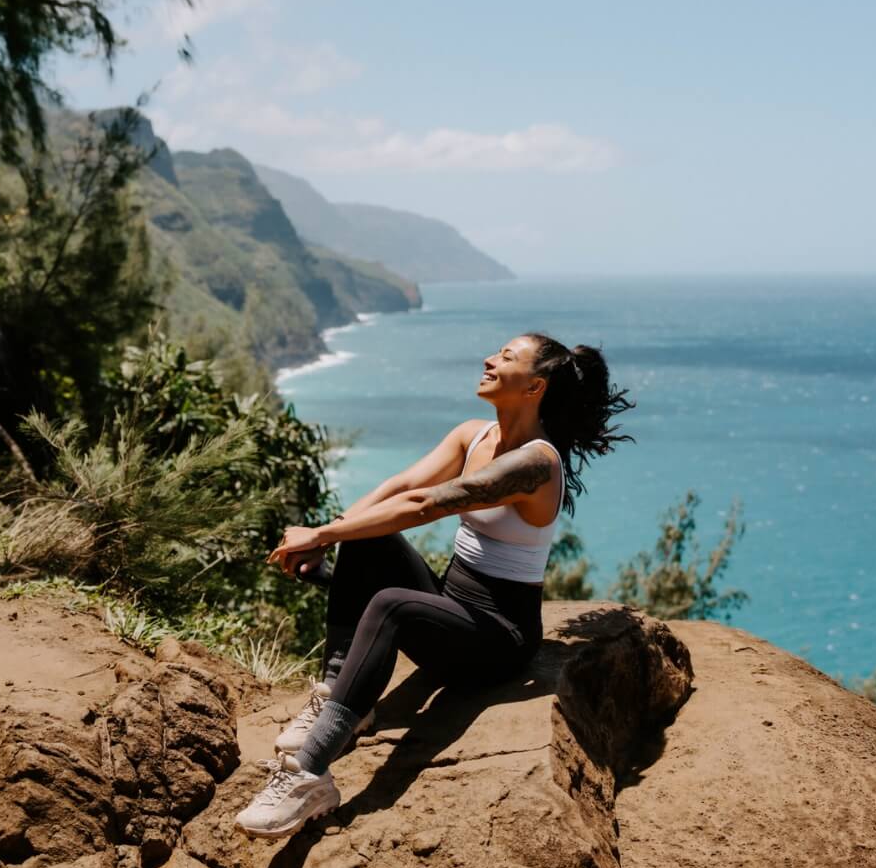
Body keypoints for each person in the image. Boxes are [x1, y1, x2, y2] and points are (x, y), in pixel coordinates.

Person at [234, 332, 634, 840]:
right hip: (453, 608)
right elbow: (401, 487)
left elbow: (432, 504)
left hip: (498, 639)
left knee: (391, 604)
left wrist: (320, 533)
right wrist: (331, 535)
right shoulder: (474, 435)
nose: (489, 359)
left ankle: (310, 773)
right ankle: (339, 697)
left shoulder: (537, 463)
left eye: (506, 357)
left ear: (534, 387)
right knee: (366, 540)